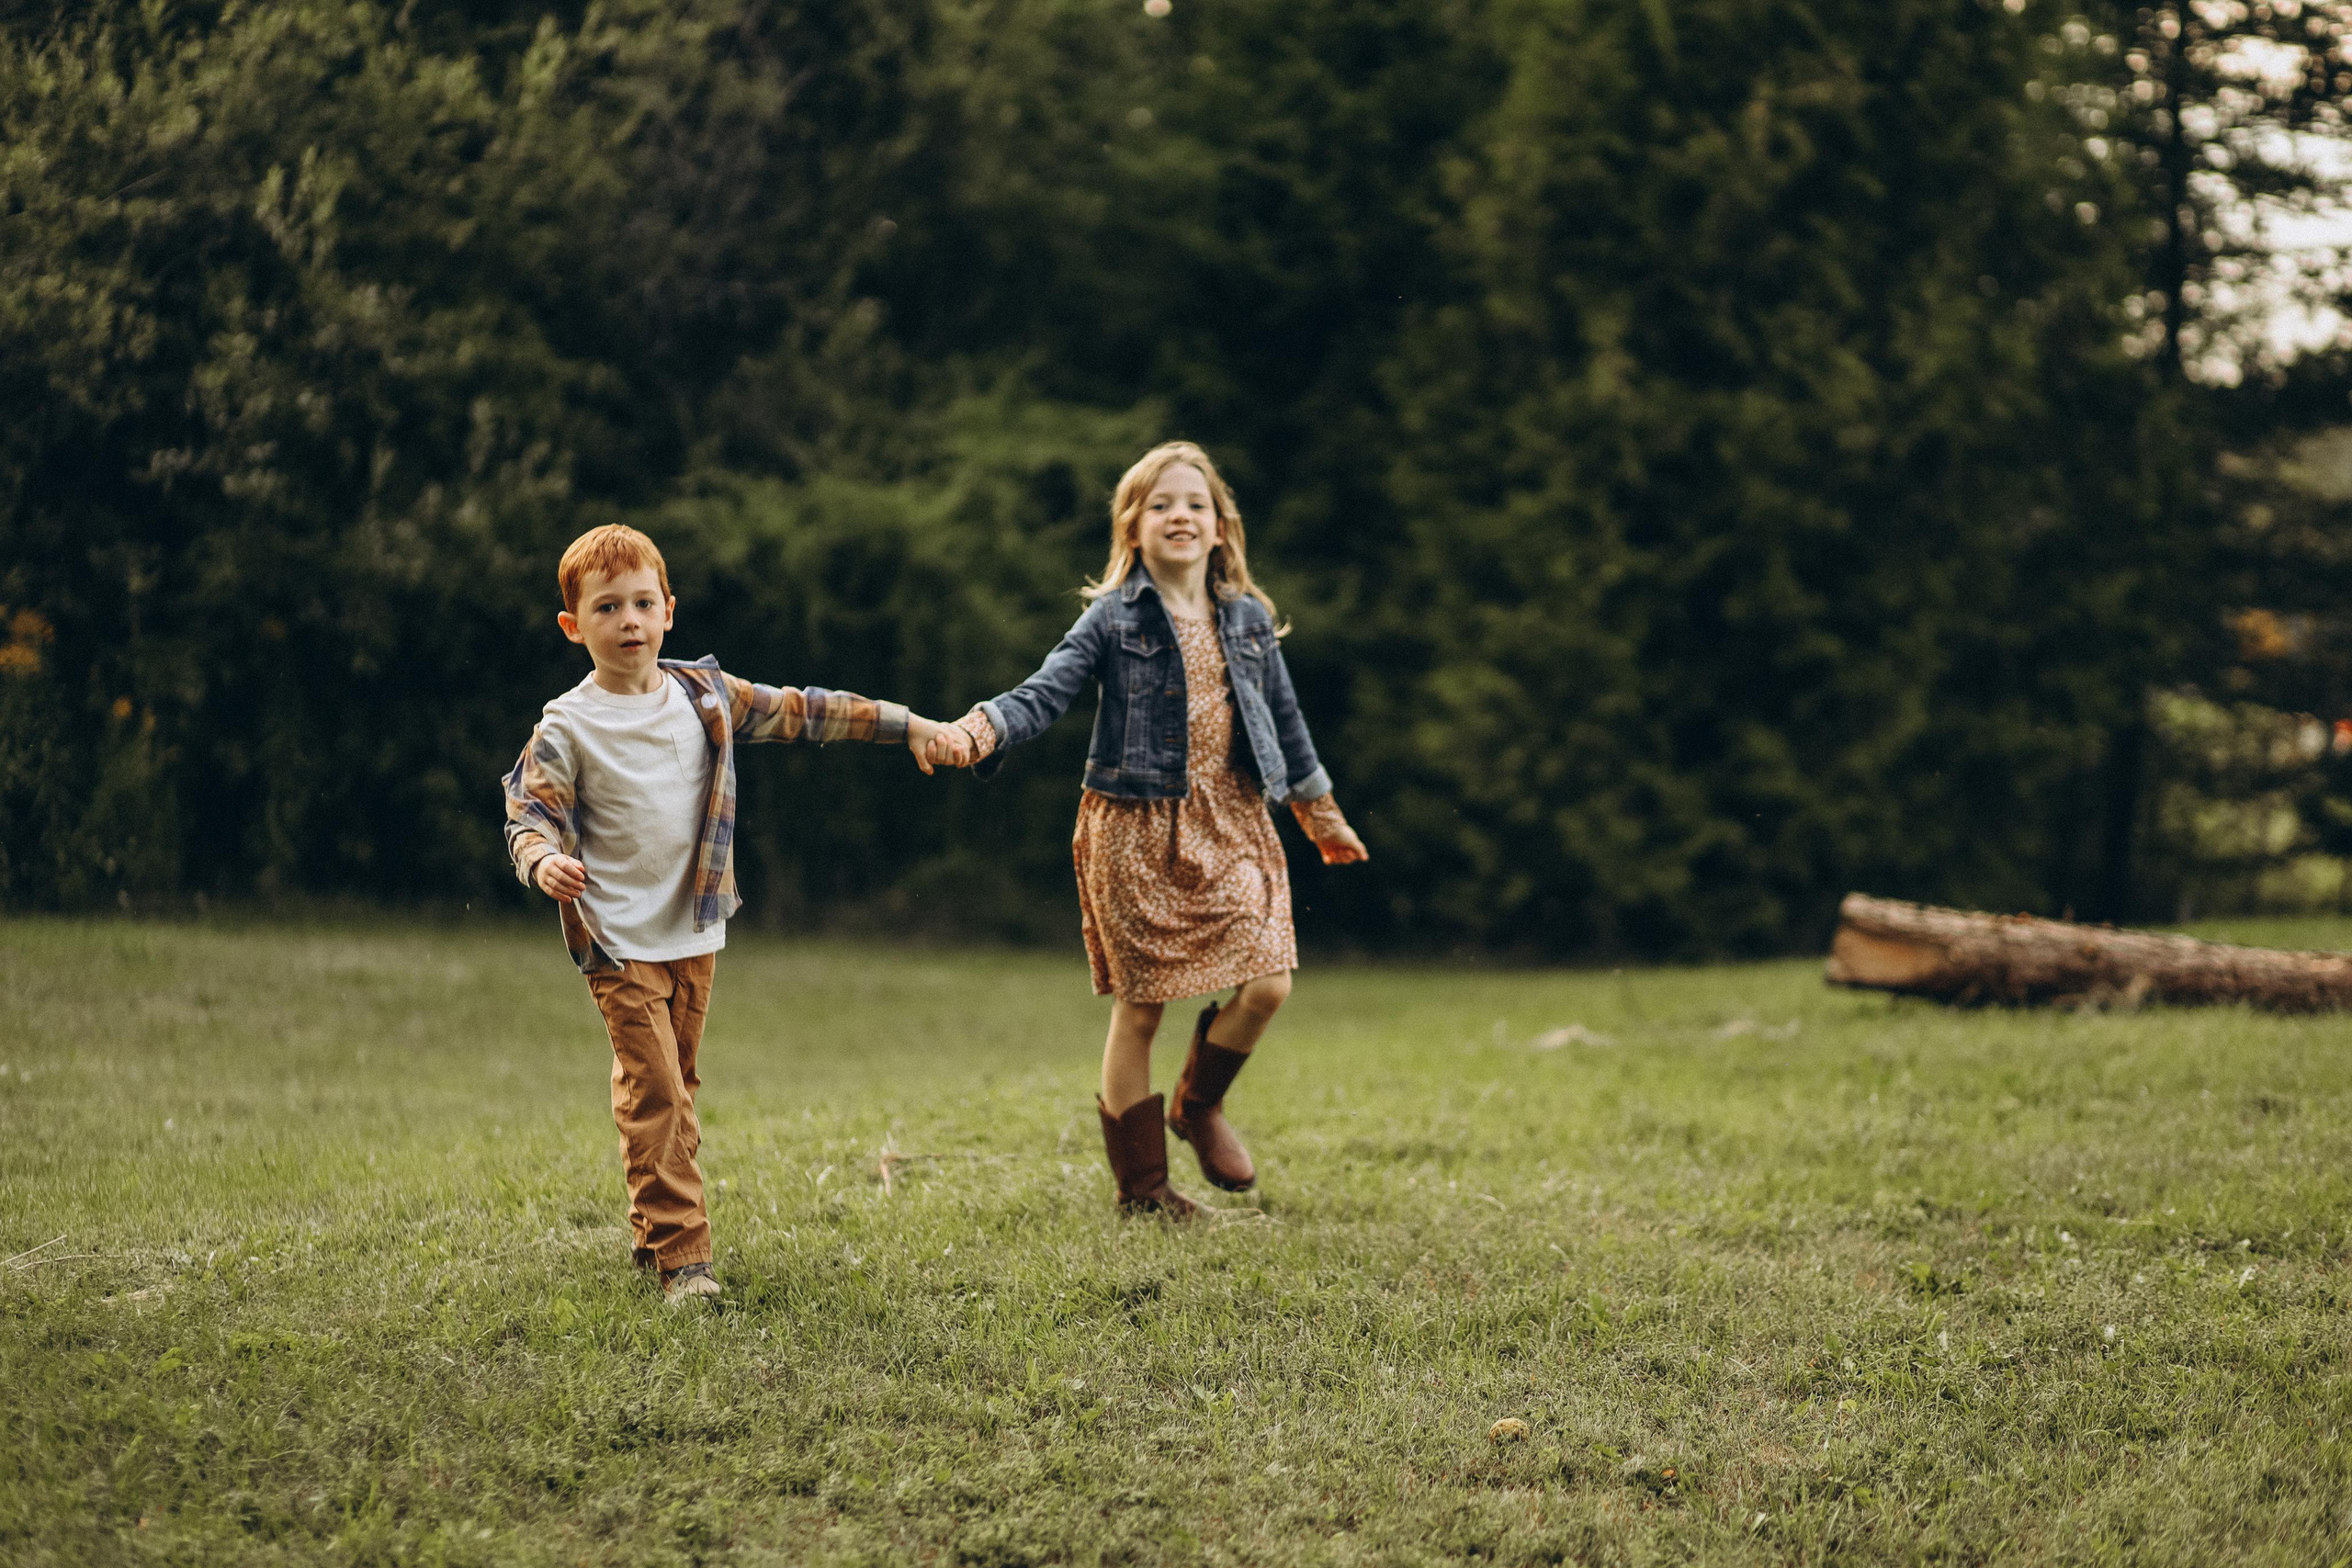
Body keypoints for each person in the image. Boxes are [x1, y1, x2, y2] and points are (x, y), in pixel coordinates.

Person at [503, 525, 967, 1303]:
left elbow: (806, 710)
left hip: (695, 929)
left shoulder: (705, 696)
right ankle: (687, 1260)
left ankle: (654, 1237)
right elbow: (528, 810)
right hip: (616, 939)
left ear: (670, 611)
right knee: (655, 1091)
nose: (630, 621)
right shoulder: (568, 725)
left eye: (644, 603)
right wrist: (541, 859)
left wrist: (908, 723)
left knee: (676, 1087)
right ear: (573, 627)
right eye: (608, 607)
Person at [929, 442, 1367, 1215]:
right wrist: (978, 730)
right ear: (1132, 527)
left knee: (1268, 980)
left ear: (1221, 526)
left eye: (1195, 503)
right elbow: (1042, 692)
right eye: (1160, 504)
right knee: (1141, 1008)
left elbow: (1287, 722)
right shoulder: (1110, 619)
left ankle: (1197, 1105)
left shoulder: (1249, 620)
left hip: (1231, 818)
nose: (1180, 516)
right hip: (1133, 829)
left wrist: (1318, 810)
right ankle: (1146, 1190)